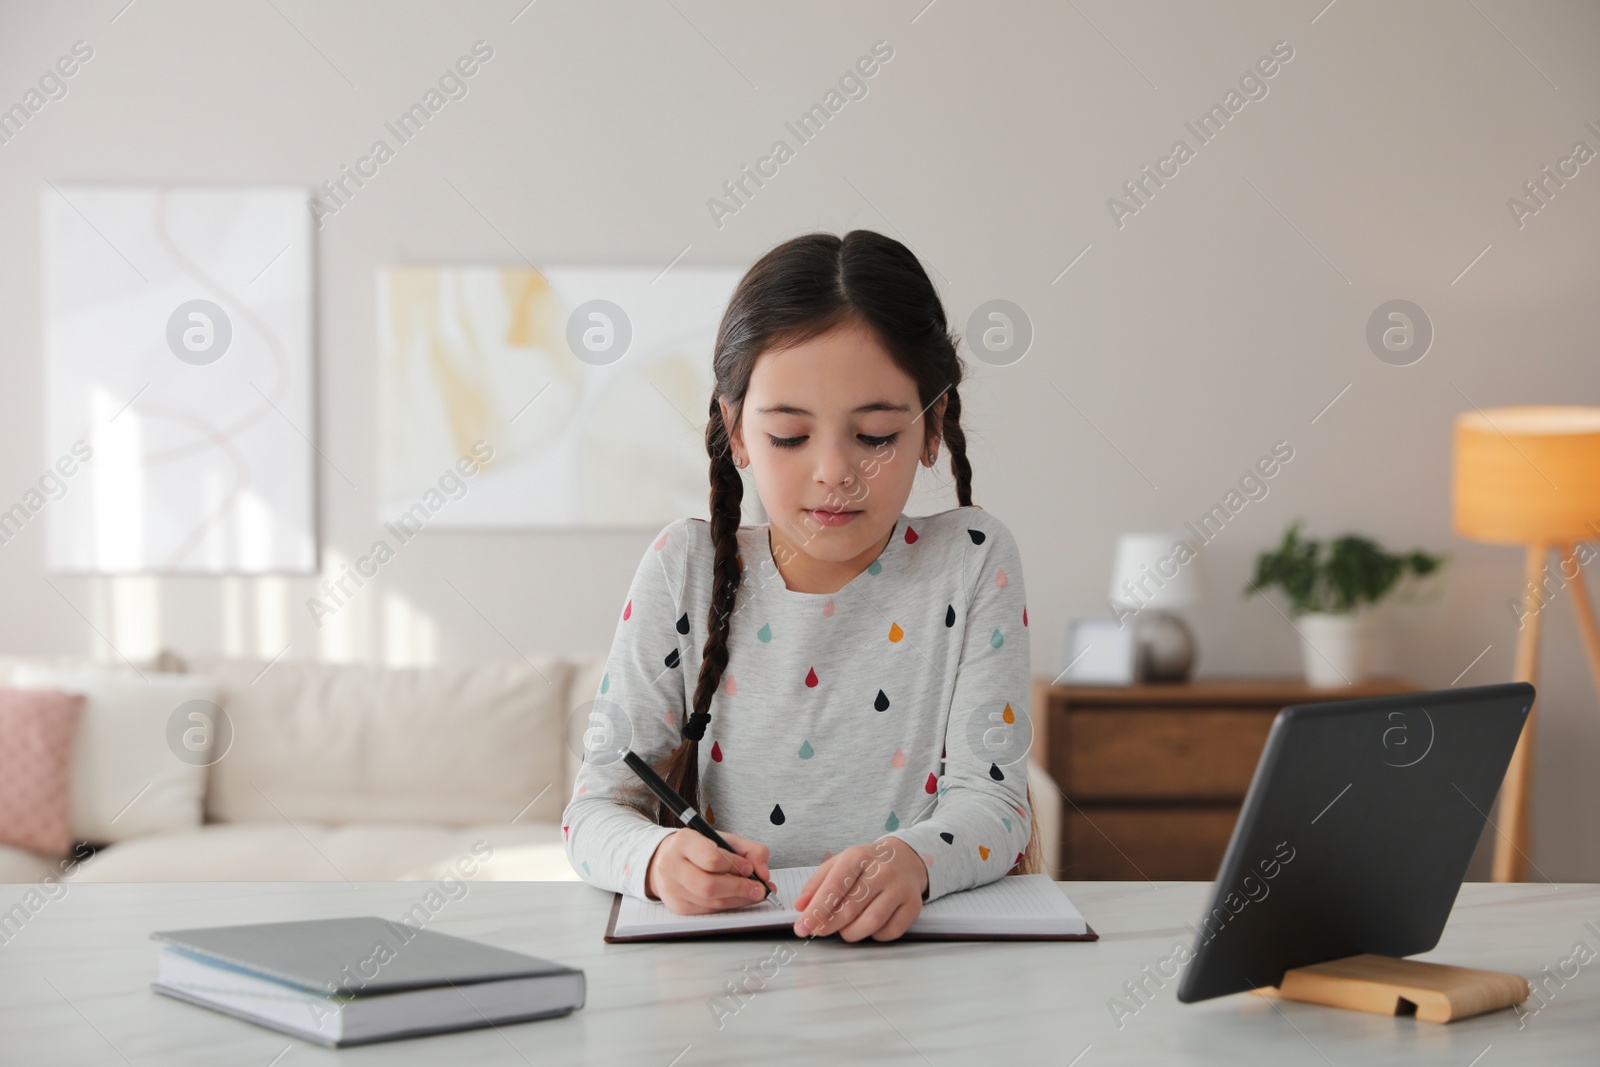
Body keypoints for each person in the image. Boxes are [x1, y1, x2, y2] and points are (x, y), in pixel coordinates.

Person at [562, 229, 1040, 943]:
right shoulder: (683, 567)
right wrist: (659, 858)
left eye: (876, 435)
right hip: (724, 964)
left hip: (917, 966)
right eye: (790, 436)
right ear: (738, 432)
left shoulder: (971, 559)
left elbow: (996, 804)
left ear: (933, 425)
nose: (834, 471)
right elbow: (593, 810)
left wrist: (913, 859)